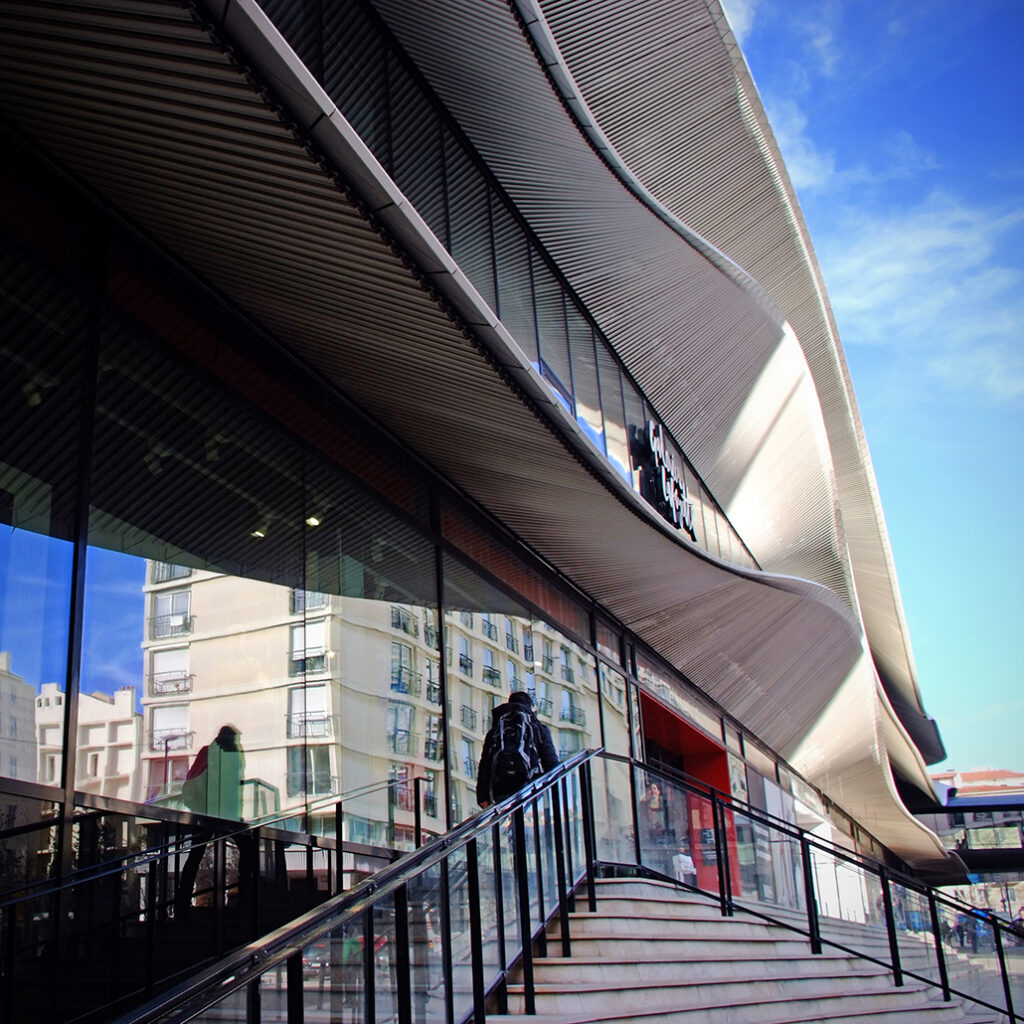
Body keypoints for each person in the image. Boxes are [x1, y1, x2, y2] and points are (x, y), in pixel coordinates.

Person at [175, 725, 257, 916]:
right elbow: (228, 785)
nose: (235, 741)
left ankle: (182, 901)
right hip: (215, 814)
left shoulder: (222, 754)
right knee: (244, 849)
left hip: (216, 814)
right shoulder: (222, 754)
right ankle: (245, 896)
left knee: (196, 855)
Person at [476, 691, 558, 808]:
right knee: (527, 821)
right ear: (529, 707)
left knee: (508, 821)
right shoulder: (537, 727)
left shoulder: (495, 731)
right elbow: (551, 763)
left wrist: (482, 797)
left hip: (501, 787)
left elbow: (485, 764)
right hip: (528, 785)